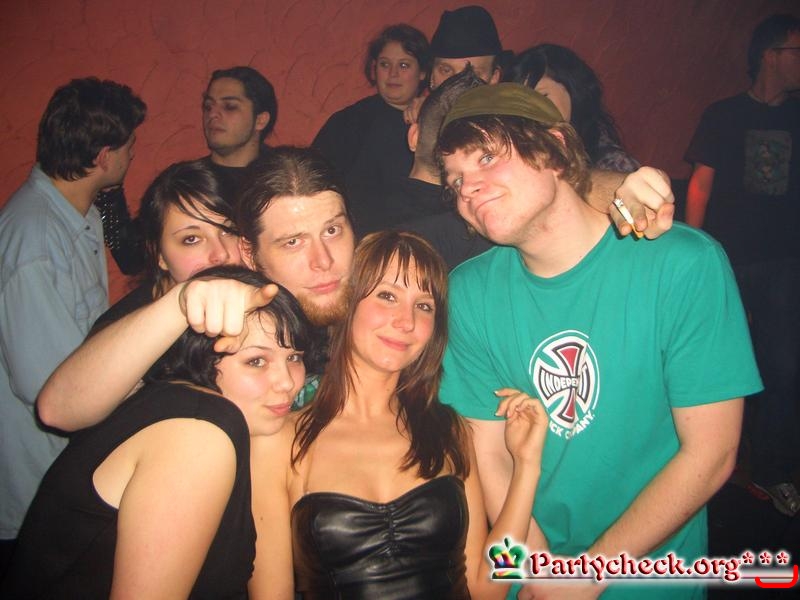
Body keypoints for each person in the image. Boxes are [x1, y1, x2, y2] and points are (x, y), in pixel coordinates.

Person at [36, 145, 674, 434]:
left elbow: (507, 208)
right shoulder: (215, 314)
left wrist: (611, 188)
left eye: (333, 230)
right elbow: (60, 409)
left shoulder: (382, 270)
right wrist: (178, 305)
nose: (323, 261)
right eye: (292, 242)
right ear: (250, 253)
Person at [436, 83, 762, 599]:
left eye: (487, 158)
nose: (468, 188)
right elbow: (489, 458)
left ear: (555, 149)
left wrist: (588, 576)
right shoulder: (468, 292)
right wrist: (538, 575)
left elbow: (712, 454)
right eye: (455, 179)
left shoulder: (682, 264)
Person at [251, 230, 548, 599]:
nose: (406, 321)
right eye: (387, 296)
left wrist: (526, 468)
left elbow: (487, 588)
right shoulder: (282, 443)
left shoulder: (450, 431)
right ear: (348, 301)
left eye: (423, 306)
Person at [2, 265, 312, 599]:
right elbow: (57, 407)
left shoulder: (174, 404)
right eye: (256, 361)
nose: (287, 382)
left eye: (294, 357)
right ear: (199, 358)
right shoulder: (197, 435)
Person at [0, 77, 146, 571]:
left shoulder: (78, 215)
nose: (132, 155)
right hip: (35, 486)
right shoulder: (35, 239)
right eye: (129, 146)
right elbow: (46, 383)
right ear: (104, 156)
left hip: (62, 472)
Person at [685, 14, 800, 517]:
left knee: (784, 368)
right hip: (728, 260)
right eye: (796, 50)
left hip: (785, 262)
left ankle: (772, 471)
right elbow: (699, 186)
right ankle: (702, 464)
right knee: (716, 365)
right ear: (770, 55)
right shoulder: (724, 114)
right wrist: (691, 256)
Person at [101, 65, 277, 274]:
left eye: (229, 106)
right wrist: (109, 192)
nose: (213, 115)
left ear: (260, 120)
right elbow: (131, 258)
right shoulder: (189, 182)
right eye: (208, 107)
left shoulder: (282, 178)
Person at [312, 24, 431, 236]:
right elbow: (313, 182)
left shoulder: (435, 121)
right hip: (358, 239)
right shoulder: (347, 121)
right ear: (374, 69)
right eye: (385, 64)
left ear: (422, 72)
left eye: (404, 65)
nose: (393, 73)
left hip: (420, 237)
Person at [510, 44, 640, 172]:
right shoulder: (525, 152)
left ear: (572, 90)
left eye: (542, 97)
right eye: (522, 103)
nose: (531, 111)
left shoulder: (613, 166)